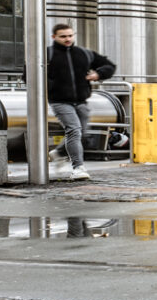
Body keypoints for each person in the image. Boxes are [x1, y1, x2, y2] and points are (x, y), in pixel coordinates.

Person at [46, 23, 115, 181]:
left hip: (81, 101)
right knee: (74, 130)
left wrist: (98, 74)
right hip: (59, 101)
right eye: (63, 36)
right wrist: (51, 86)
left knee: (81, 132)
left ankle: (58, 153)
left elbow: (109, 66)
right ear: (54, 37)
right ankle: (78, 167)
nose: (68, 39)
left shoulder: (83, 53)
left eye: (70, 35)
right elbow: (28, 73)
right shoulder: (48, 54)